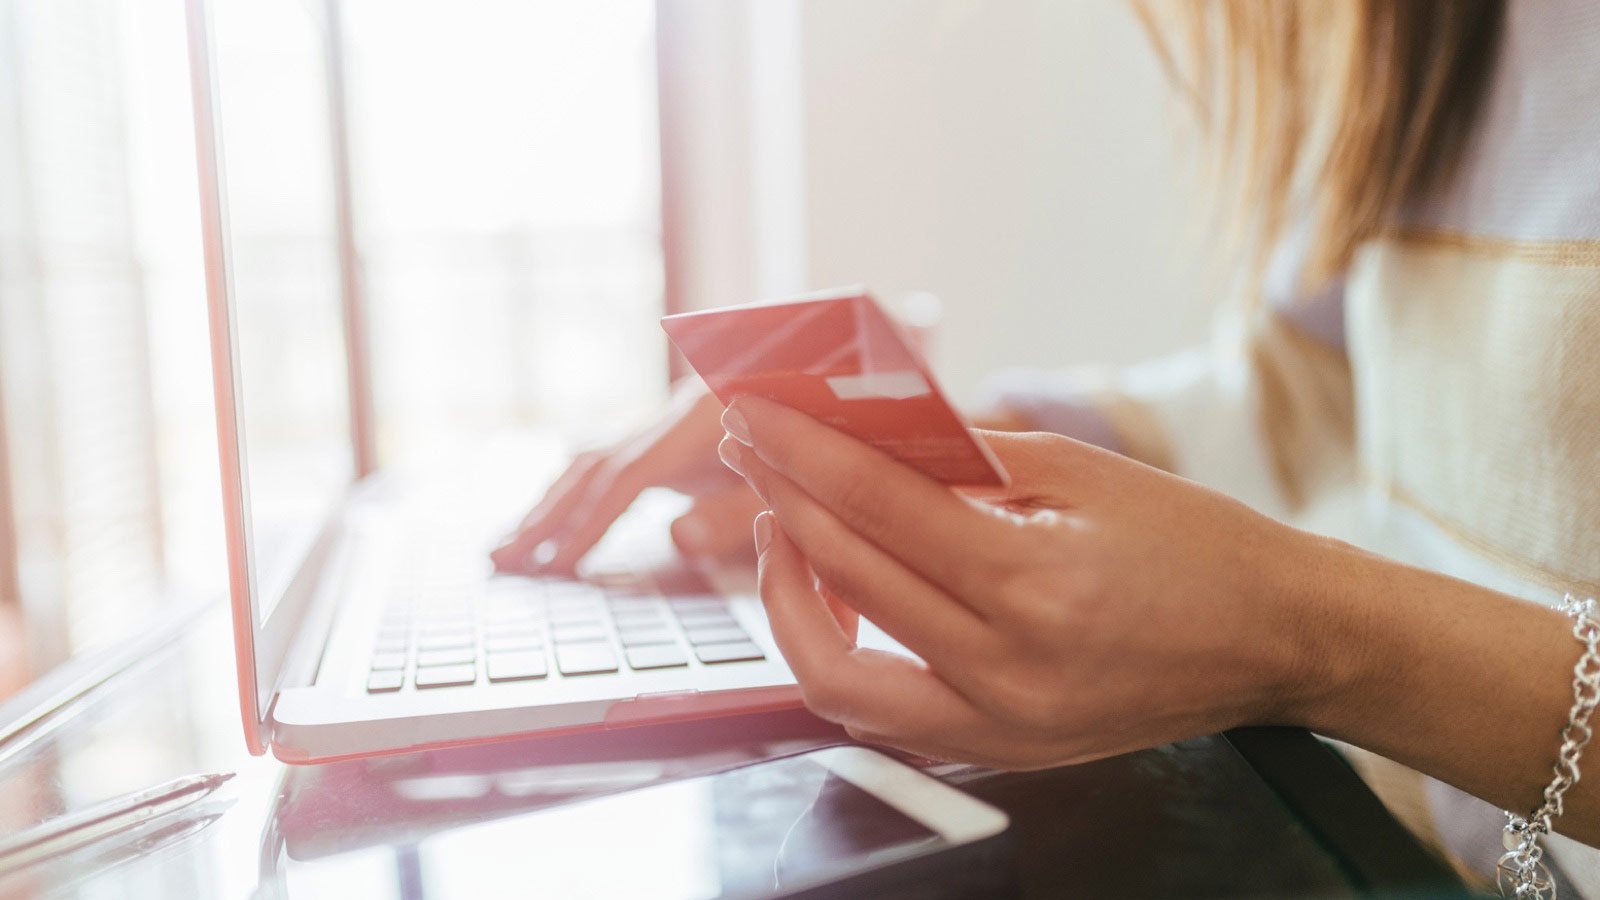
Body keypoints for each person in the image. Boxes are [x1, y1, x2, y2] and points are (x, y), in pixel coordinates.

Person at [494, 1, 1600, 891]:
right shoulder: (1415, 32)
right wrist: (934, 453)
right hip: (1369, 823)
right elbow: (1315, 385)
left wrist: (1313, 639)